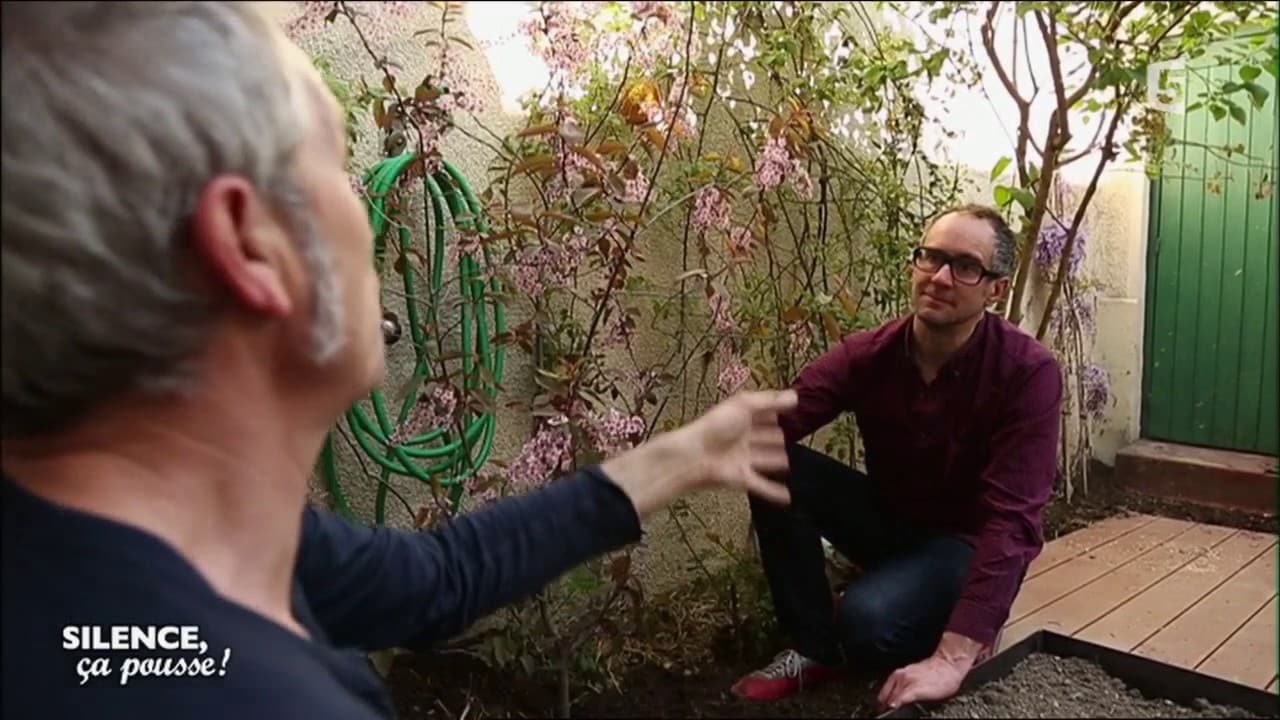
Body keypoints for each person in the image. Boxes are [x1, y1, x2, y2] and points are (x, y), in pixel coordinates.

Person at [0, 3, 799, 719]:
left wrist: (688, 454)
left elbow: (436, 578)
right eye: (337, 164)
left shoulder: (156, 547)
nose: (369, 215)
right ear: (251, 245)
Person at [729, 204, 1064, 711]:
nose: (940, 277)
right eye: (931, 258)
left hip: (965, 544)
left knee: (868, 627)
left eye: (965, 266)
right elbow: (777, 421)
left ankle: (964, 621)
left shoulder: (1027, 373)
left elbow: (1013, 522)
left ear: (994, 290)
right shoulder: (871, 354)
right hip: (893, 522)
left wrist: (954, 654)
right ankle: (815, 648)